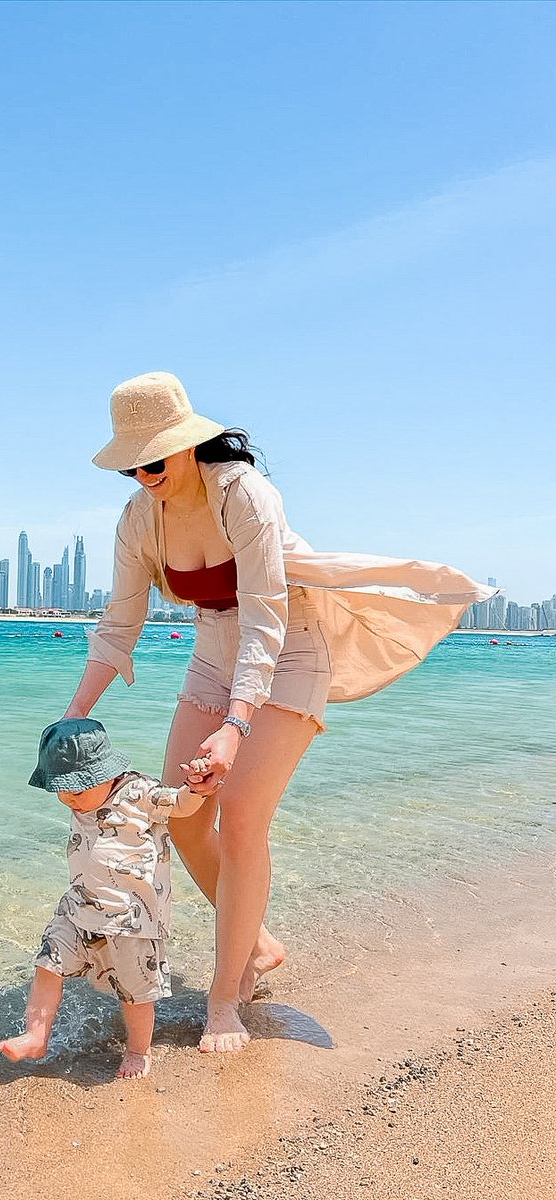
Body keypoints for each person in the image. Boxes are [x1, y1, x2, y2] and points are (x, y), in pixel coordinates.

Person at [63, 371, 495, 1054]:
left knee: (240, 819)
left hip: (288, 649)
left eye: (154, 462)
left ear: (187, 446)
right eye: (131, 467)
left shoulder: (243, 493)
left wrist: (235, 726)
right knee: (181, 814)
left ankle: (224, 996)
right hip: (212, 652)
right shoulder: (139, 519)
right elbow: (120, 623)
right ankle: (258, 946)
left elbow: (265, 618)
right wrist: (73, 716)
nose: (144, 476)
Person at [0, 717, 211, 1079]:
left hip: (131, 920)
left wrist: (196, 786)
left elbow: (181, 805)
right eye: (61, 791)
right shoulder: (79, 801)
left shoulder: (140, 792)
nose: (69, 799)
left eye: (76, 790)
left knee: (135, 993)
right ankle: (36, 1036)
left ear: (105, 775)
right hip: (78, 907)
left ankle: (138, 1050)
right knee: (48, 963)